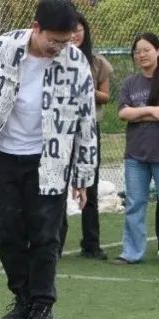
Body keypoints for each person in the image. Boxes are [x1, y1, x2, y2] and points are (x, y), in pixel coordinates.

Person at [0, 0, 96, 319]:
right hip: (1, 156)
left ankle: (43, 306)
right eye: (54, 40)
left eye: (66, 41)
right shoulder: (2, 48)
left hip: (50, 160)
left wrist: (82, 176)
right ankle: (22, 299)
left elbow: (86, 121)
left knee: (46, 235)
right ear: (36, 28)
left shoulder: (76, 63)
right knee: (7, 233)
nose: (59, 47)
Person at [59, 12, 113, 260]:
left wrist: (84, 87)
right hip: (60, 130)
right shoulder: (55, 60)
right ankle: (55, 243)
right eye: (70, 30)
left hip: (89, 129)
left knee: (89, 185)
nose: (74, 34)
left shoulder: (97, 62)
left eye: (78, 29)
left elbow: (106, 96)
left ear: (85, 32)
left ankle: (91, 243)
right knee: (57, 186)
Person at [113, 33, 159, 264]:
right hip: (135, 155)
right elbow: (123, 113)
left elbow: (131, 112)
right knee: (134, 203)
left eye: (146, 50)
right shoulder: (130, 83)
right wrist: (151, 111)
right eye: (137, 51)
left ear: (157, 51)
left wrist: (136, 113)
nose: (141, 55)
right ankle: (131, 252)